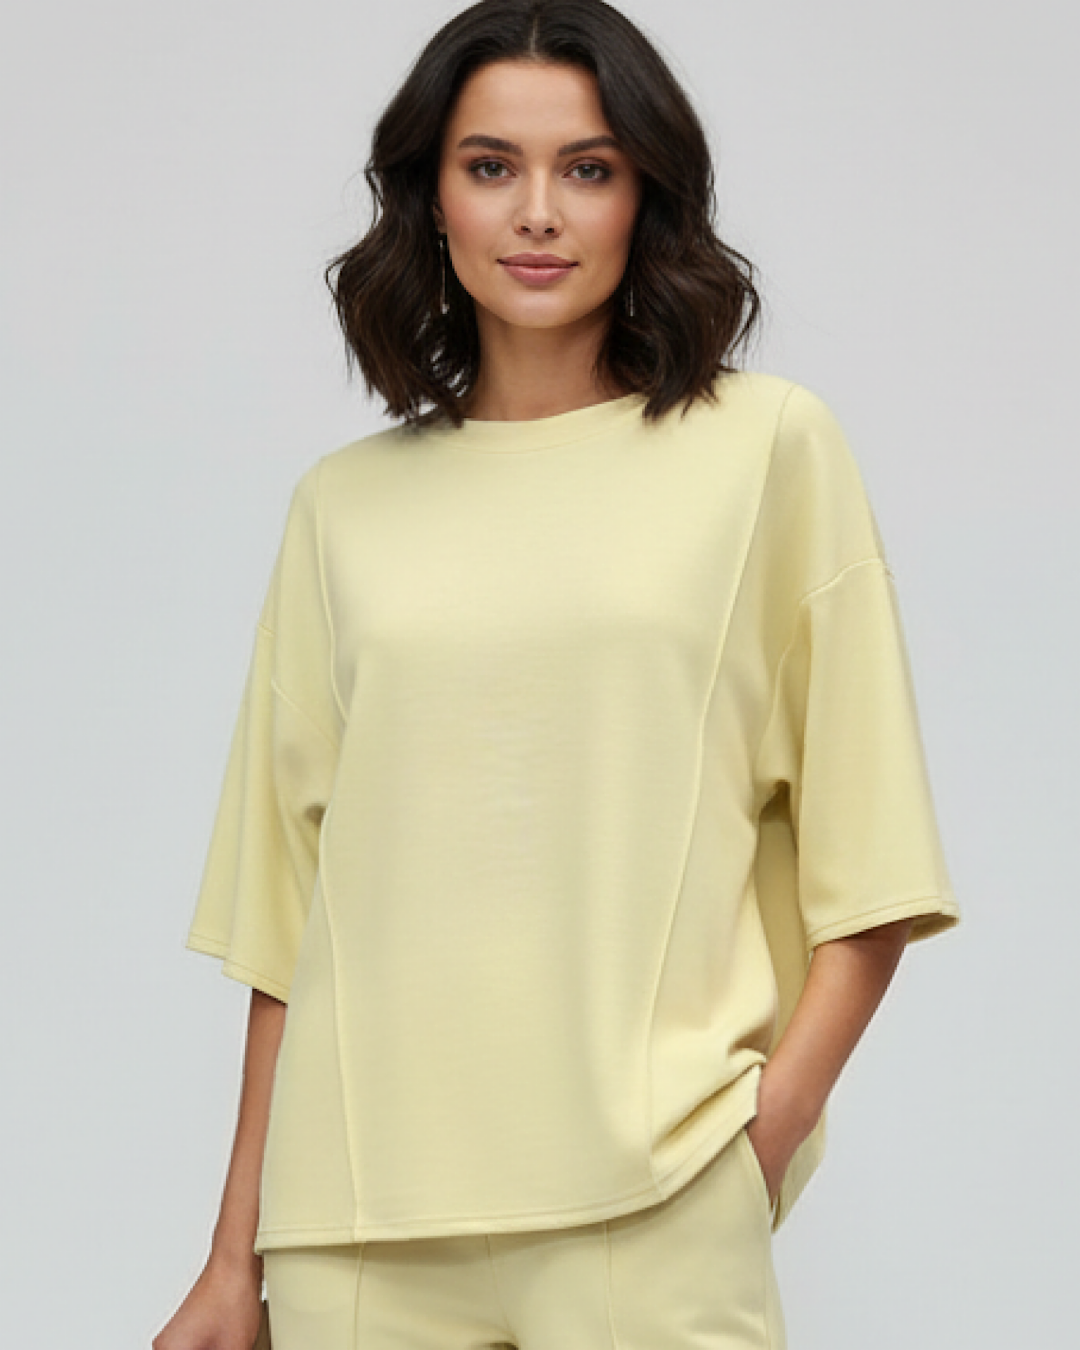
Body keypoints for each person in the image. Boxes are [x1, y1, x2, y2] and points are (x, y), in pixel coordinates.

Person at [153, 2, 962, 1347]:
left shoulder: (767, 449)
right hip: (356, 1229)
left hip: (651, 1205)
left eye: (587, 167)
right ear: (432, 200)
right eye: (491, 166)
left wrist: (754, 1146)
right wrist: (231, 1261)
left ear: (647, 195)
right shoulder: (341, 507)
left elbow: (873, 869)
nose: (538, 211)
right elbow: (287, 920)